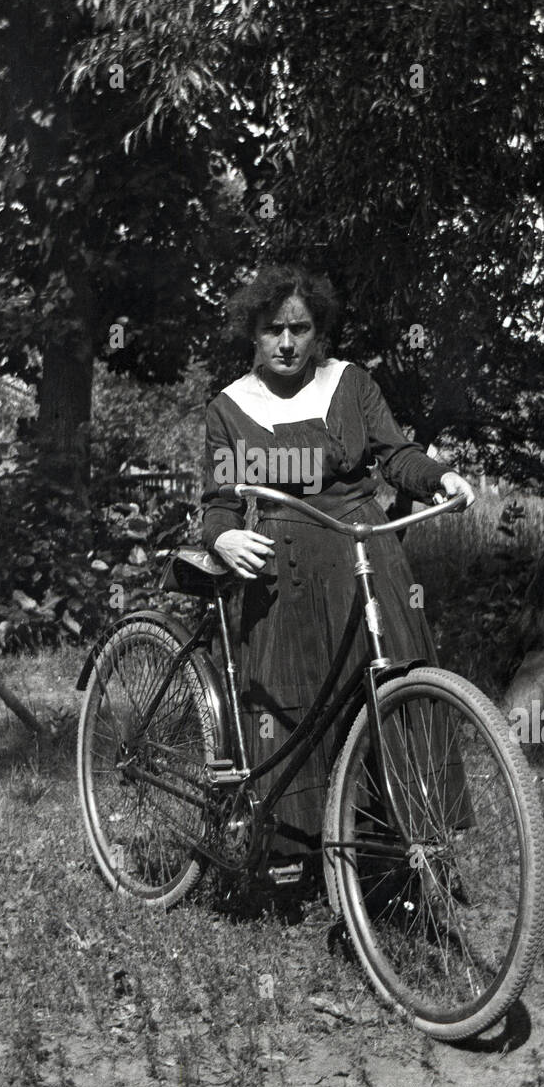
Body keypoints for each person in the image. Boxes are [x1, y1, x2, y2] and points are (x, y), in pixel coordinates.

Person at [201, 265, 475, 868]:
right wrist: (223, 537)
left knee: (393, 685)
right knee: (294, 705)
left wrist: (440, 478)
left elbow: (396, 454)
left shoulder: (351, 383)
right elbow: (220, 501)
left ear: (318, 331)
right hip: (283, 568)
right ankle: (297, 855)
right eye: (273, 330)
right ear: (254, 333)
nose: (286, 343)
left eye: (299, 329)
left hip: (364, 552)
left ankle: (399, 845)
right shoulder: (228, 409)